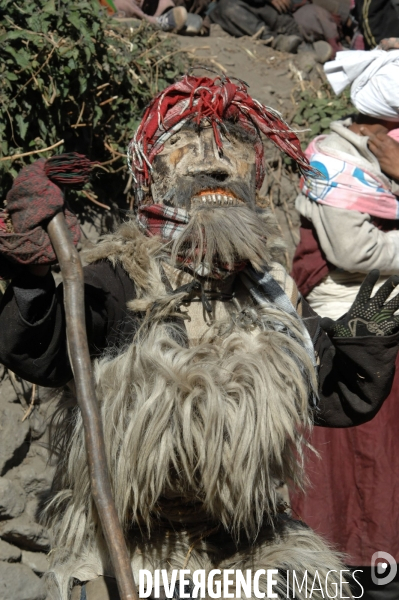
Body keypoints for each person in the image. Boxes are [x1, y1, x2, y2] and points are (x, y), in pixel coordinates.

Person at [1, 74, 399, 600]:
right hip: (130, 545)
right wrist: (31, 283)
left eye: (229, 145)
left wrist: (360, 352)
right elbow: (46, 352)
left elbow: (324, 394)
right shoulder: (119, 279)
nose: (212, 161)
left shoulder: (269, 292)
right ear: (150, 175)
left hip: (246, 543)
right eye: (184, 145)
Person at [291, 49, 399, 599]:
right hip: (349, 336)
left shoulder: (384, 164)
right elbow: (354, 250)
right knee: (353, 462)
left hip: (383, 322)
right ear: (385, 125)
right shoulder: (334, 161)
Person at [209, 0, 341, 60]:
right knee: (226, 8)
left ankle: (307, 48)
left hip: (279, 16)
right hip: (243, 12)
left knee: (308, 17)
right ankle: (275, 41)